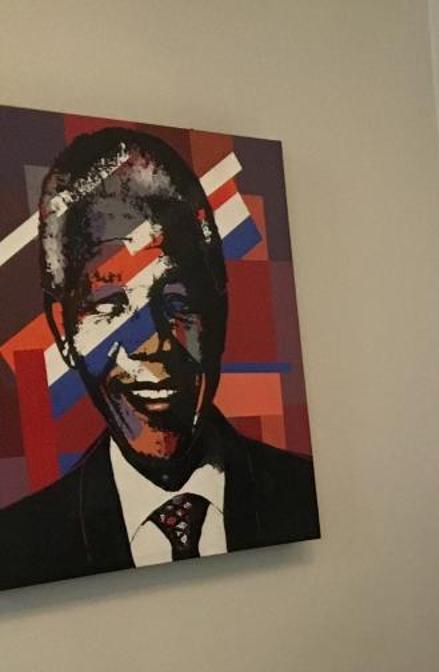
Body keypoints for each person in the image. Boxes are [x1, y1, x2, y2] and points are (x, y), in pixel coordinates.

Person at [0, 126, 316, 591]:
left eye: (178, 298)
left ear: (220, 306)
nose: (153, 343)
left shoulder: (303, 496)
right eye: (110, 307)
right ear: (63, 331)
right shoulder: (20, 545)